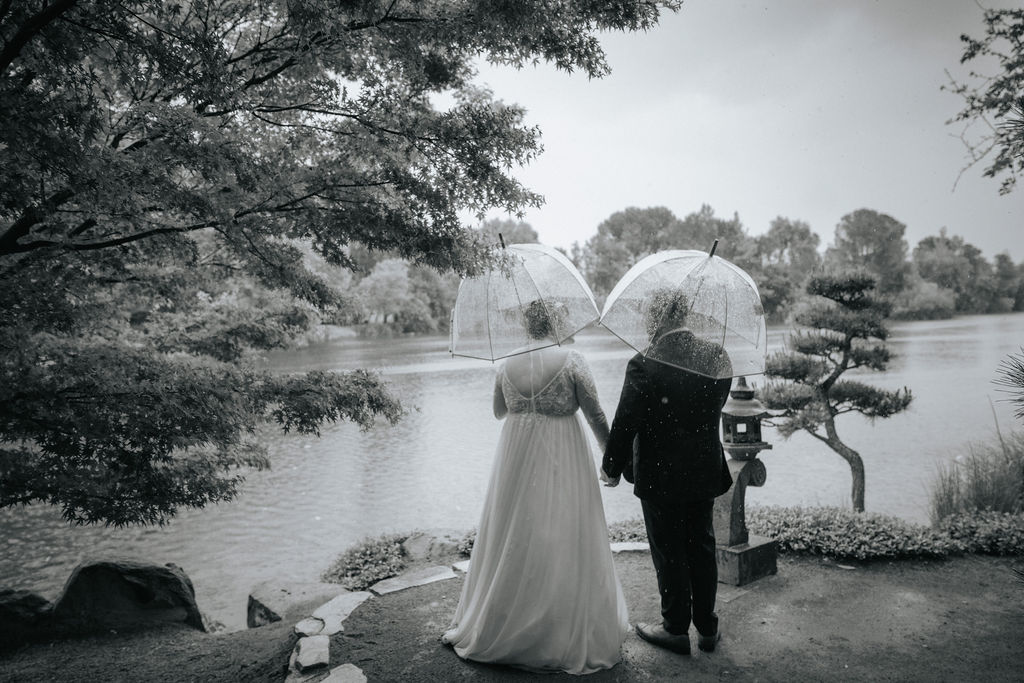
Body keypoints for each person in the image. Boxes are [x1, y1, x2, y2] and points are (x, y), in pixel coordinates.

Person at [443, 299, 629, 674]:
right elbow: (595, 415)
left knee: (515, 531)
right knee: (563, 530)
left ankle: (506, 621)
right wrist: (613, 461)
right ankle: (558, 626)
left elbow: (499, 411)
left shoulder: (506, 363)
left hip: (516, 454)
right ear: (556, 322)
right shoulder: (572, 360)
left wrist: (526, 403)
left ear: (526, 325)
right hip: (562, 451)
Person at [600, 287, 733, 656]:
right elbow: (716, 404)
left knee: (669, 550)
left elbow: (626, 421)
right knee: (702, 545)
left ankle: (675, 628)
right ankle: (707, 629)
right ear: (684, 315)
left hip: (660, 474)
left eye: (646, 313)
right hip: (704, 469)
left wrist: (612, 466)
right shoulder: (717, 355)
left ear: (655, 318)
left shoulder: (644, 362)